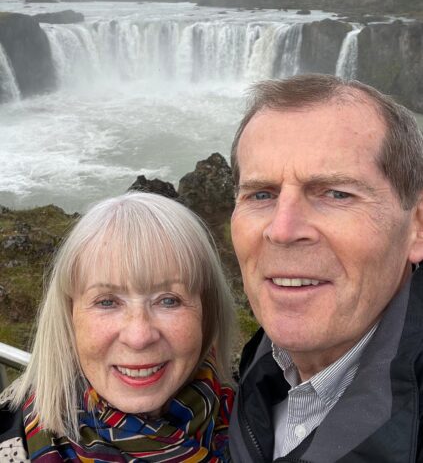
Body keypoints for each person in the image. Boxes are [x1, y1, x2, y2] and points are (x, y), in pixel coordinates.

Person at [228, 74, 423, 462]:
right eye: (261, 194)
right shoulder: (257, 368)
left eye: (336, 193)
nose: (282, 231)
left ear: (416, 226)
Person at [0, 192, 235, 462]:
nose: (139, 336)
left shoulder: (263, 423)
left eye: (169, 300)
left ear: (206, 313)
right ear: (69, 315)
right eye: (107, 302)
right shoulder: (11, 441)